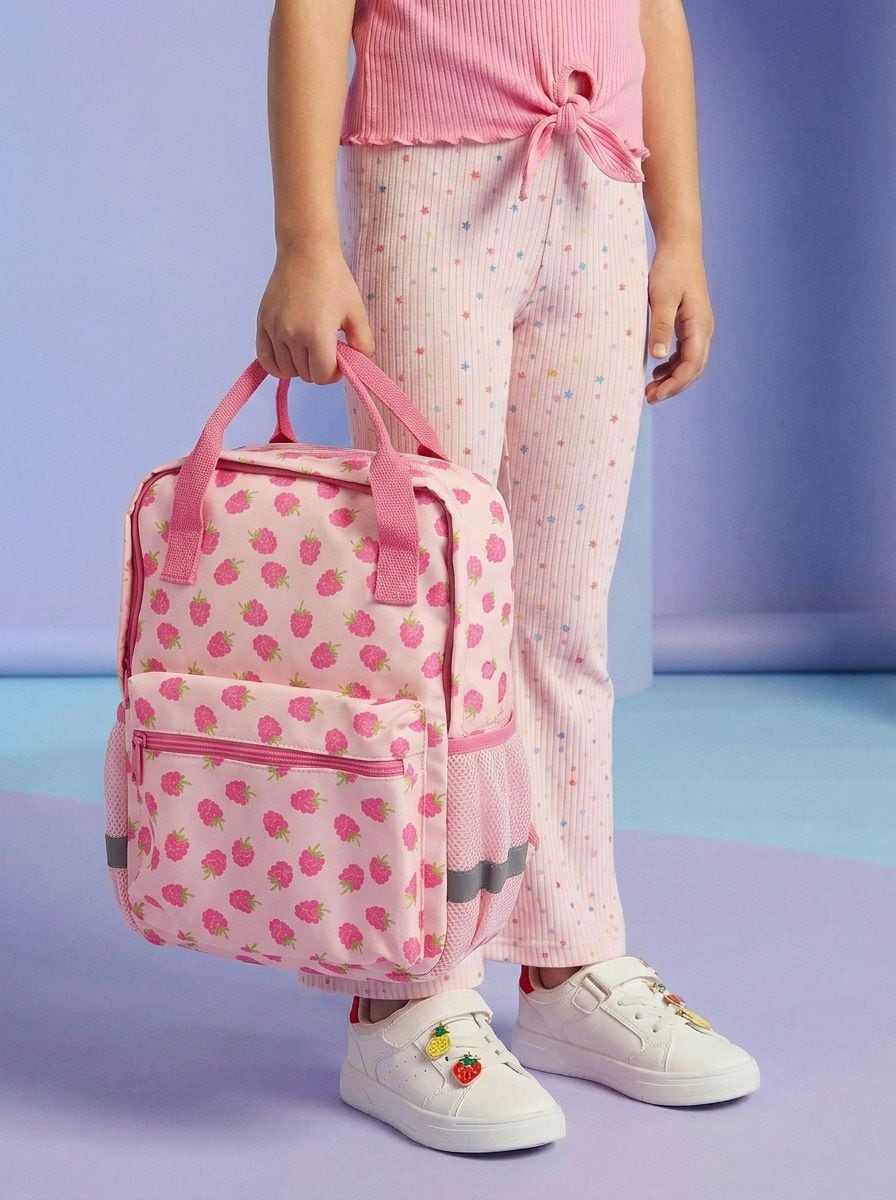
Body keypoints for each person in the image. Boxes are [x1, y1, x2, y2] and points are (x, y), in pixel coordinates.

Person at [255, 0, 759, 1153]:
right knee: (435, 613)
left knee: (561, 616)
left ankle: (566, 954)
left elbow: (654, 13)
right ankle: (407, 990)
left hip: (598, 194)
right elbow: (311, 10)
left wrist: (679, 232)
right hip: (429, 189)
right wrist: (306, 243)